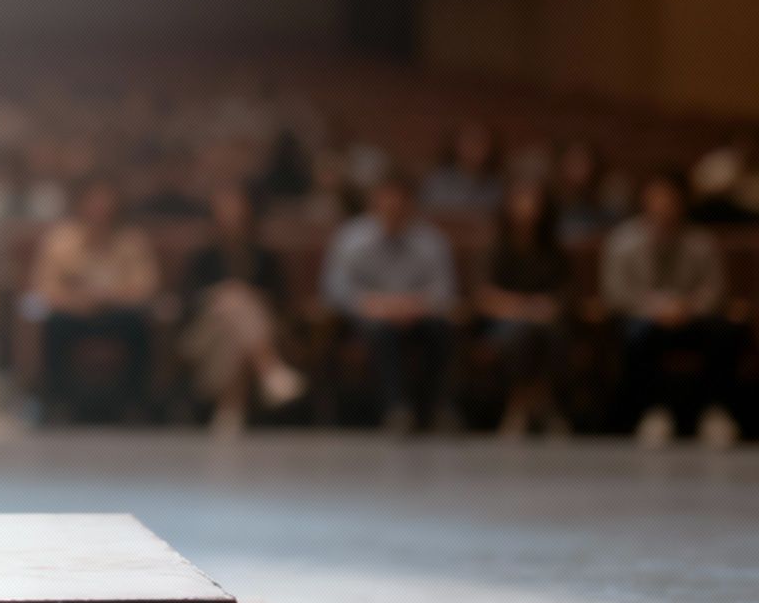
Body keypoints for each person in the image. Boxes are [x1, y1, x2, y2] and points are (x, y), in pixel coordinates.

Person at [600, 170, 741, 450]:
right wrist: (652, 307)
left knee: (724, 333)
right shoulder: (623, 241)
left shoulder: (701, 242)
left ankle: (713, 410)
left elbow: (715, 290)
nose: (663, 206)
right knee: (637, 337)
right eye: (657, 198)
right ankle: (652, 410)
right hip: (644, 317)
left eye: (670, 199)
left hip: (691, 317)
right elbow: (614, 293)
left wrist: (686, 307)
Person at [321, 173, 457, 434]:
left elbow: (444, 291)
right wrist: (376, 305)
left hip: (419, 315)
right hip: (368, 316)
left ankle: (436, 408)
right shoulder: (351, 238)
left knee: (440, 330)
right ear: (374, 203)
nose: (392, 208)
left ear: (410, 205)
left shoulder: (431, 240)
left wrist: (409, 306)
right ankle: (396, 410)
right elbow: (336, 290)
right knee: (383, 332)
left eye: (399, 202)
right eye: (386, 201)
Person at [27, 176, 162, 426]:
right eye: (94, 202)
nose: (100, 210)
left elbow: (145, 287)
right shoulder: (61, 240)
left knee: (138, 325)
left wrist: (111, 296)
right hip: (75, 313)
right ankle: (56, 402)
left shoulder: (131, 241)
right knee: (54, 325)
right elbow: (45, 287)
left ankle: (134, 403)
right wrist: (78, 300)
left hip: (116, 313)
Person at [177, 183, 302, 437]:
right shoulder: (202, 258)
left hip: (260, 329)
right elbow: (187, 303)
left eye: (237, 208)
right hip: (205, 334)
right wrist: (222, 295)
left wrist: (246, 297)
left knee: (237, 326)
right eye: (225, 209)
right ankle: (269, 368)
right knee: (233, 300)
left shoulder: (265, 258)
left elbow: (281, 301)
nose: (231, 215)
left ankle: (230, 409)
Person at [476, 179, 574, 439]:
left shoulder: (554, 251)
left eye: (532, 202)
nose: (526, 209)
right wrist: (524, 307)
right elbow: (485, 296)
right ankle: (530, 406)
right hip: (504, 323)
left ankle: (530, 405)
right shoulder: (496, 249)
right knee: (521, 334)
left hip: (545, 323)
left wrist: (543, 308)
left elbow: (563, 296)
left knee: (551, 334)